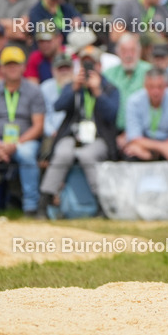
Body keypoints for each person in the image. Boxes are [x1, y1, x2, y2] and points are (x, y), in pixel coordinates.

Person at [39, 45, 119, 215]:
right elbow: (58, 106)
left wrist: (97, 92)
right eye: (85, 64)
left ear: (99, 67)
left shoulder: (110, 88)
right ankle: (44, 201)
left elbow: (112, 115)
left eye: (92, 64)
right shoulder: (74, 86)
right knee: (62, 152)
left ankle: (101, 204)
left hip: (99, 138)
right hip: (74, 135)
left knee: (87, 155)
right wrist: (74, 88)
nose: (88, 69)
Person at [0, 46, 46, 217]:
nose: (12, 68)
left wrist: (15, 144)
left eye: (16, 64)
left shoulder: (34, 91)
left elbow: (38, 126)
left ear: (24, 67)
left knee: (26, 155)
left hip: (24, 141)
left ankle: (30, 208)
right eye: (8, 65)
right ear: (0, 68)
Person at [122, 67, 168, 162]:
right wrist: (162, 148)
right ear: (144, 86)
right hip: (147, 145)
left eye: (160, 87)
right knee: (130, 152)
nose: (155, 92)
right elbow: (134, 138)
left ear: (166, 86)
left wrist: (151, 154)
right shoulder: (134, 101)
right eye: (151, 87)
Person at [102, 32, 152, 131]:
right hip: (113, 130)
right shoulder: (108, 74)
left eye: (132, 50)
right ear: (118, 53)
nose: (128, 55)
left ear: (139, 52)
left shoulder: (149, 72)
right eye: (124, 51)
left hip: (143, 131)